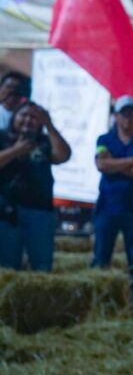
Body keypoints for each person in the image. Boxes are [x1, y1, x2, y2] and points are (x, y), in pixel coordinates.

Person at [92, 96, 133, 313]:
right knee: (101, 257)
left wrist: (114, 164)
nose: (127, 118)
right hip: (107, 207)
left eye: (131, 113)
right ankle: (97, 302)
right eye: (123, 113)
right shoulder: (104, 138)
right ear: (116, 116)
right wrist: (131, 161)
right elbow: (101, 164)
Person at [0, 101, 71, 270]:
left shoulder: (45, 141)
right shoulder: (2, 137)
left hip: (39, 210)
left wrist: (49, 125)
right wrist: (16, 151)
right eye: (23, 115)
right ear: (14, 117)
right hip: (7, 211)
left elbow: (63, 156)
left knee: (42, 264)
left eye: (34, 118)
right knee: (7, 265)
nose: (27, 120)